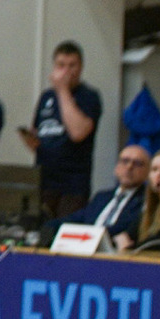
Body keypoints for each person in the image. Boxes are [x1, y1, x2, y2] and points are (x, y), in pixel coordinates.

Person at [19, 41, 101, 220]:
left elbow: (78, 133)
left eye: (72, 65)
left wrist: (62, 90)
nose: (66, 71)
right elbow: (39, 133)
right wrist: (31, 140)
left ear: (81, 67)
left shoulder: (89, 97)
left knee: (64, 228)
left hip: (73, 185)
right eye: (61, 65)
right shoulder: (46, 97)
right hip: (44, 179)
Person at [41, 144, 150, 243]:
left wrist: (91, 234)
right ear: (116, 167)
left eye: (137, 163)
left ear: (147, 172)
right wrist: (47, 227)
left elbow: (124, 227)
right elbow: (77, 217)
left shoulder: (147, 200)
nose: (129, 167)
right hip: (84, 246)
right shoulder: (102, 197)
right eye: (125, 161)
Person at [114, 148, 160, 252]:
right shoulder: (150, 208)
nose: (158, 175)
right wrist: (122, 238)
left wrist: (130, 248)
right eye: (154, 169)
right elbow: (129, 235)